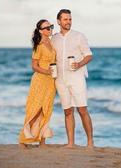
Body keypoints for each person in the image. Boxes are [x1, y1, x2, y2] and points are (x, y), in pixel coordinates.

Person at [52, 9, 94, 148]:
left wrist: (79, 64)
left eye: (70, 19)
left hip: (76, 77)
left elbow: (89, 55)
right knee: (68, 111)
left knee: (82, 109)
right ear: (59, 21)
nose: (68, 22)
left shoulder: (79, 36)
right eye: (65, 19)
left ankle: (90, 143)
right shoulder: (54, 38)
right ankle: (71, 143)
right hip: (60, 79)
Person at [18, 19, 56, 148]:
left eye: (51, 27)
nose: (50, 29)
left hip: (51, 82)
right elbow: (34, 66)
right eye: (47, 28)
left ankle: (42, 141)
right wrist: (47, 71)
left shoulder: (51, 41)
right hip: (40, 80)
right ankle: (23, 139)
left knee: (46, 110)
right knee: (35, 109)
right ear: (40, 31)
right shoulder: (38, 45)